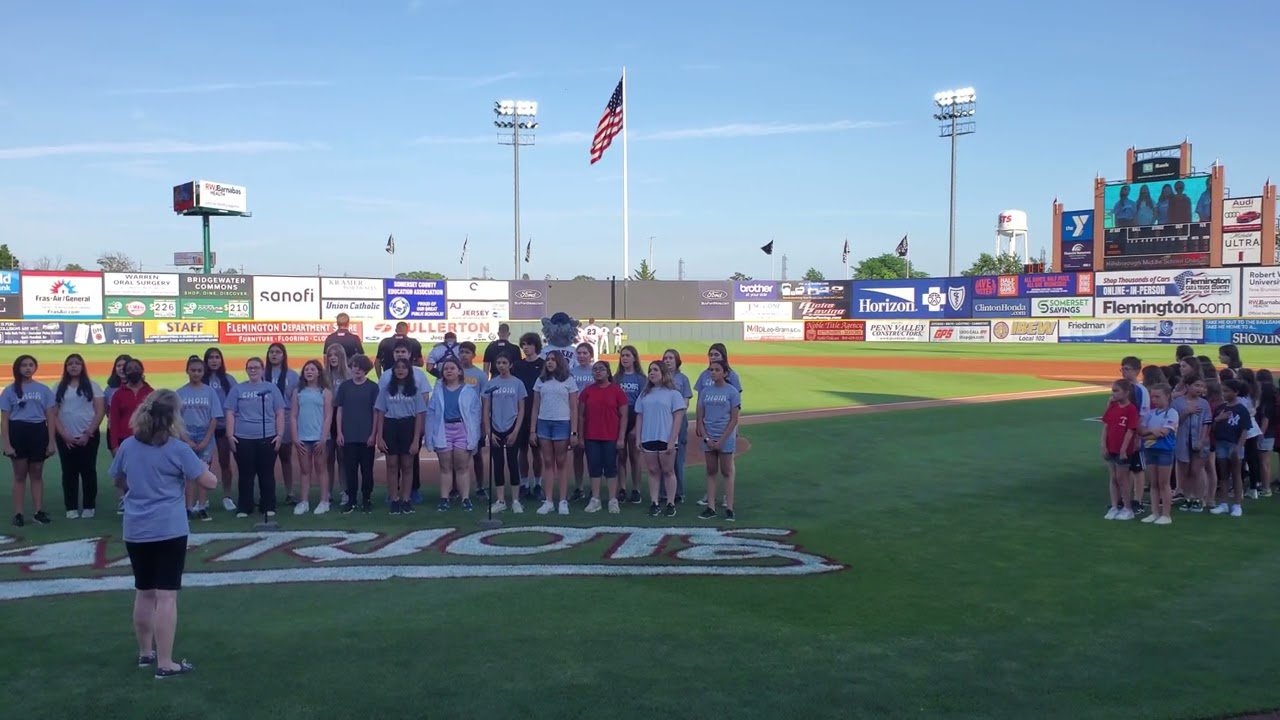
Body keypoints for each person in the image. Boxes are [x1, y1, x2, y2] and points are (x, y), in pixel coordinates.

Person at [108, 389, 217, 678]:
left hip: (136, 529)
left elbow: (119, 480)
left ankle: (146, 653)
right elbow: (210, 483)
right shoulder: (178, 449)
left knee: (144, 592)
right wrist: (205, 467)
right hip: (168, 529)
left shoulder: (129, 446)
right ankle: (166, 663)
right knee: (166, 596)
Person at [224, 357, 287, 519]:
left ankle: (268, 505)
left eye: (256, 367)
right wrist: (230, 435)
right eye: (250, 367)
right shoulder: (238, 389)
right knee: (246, 473)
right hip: (243, 437)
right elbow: (230, 412)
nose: (253, 370)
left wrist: (280, 434)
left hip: (267, 436)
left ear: (262, 369)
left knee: (266, 473)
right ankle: (245, 506)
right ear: (246, 370)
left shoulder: (271, 388)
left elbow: (280, 412)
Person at [2, 354, 56, 526]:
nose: (27, 368)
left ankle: (38, 511)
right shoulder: (9, 391)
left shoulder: (43, 390)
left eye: (30, 364)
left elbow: (50, 417)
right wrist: (7, 444)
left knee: (37, 473)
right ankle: (18, 514)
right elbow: (4, 420)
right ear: (18, 368)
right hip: (18, 430)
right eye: (24, 365)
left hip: (38, 431)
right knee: (19, 475)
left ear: (35, 367)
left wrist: (51, 441)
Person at [52, 353, 104, 520]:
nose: (73, 366)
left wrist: (88, 433)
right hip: (65, 436)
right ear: (66, 367)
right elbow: (53, 414)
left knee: (88, 471)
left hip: (88, 435)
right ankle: (71, 507)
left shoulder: (93, 386)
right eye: (70, 364)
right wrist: (65, 436)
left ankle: (89, 505)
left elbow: (99, 411)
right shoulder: (58, 387)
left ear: (82, 366)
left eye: (77, 363)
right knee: (69, 472)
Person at [426, 357, 482, 511]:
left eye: (452, 368)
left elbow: (475, 415)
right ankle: (444, 498)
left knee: (462, 466)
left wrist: (475, 436)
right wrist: (429, 437)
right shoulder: (437, 391)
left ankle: (465, 498)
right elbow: (431, 414)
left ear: (459, 371)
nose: (449, 371)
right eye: (446, 369)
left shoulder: (469, 391)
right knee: (445, 466)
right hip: (443, 430)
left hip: (462, 430)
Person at [635, 360, 686, 518]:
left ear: (663, 373)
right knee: (652, 471)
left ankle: (670, 502)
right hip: (649, 437)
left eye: (656, 370)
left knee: (668, 471)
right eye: (650, 370)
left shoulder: (674, 394)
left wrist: (672, 439)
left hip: (666, 438)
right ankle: (654, 502)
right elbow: (640, 417)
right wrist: (638, 438)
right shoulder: (644, 395)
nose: (652, 373)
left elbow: (678, 418)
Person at [376, 359, 426, 515]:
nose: (400, 370)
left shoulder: (414, 390)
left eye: (404, 368)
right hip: (390, 426)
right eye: (397, 367)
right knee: (391, 464)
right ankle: (394, 499)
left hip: (408, 426)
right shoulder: (386, 389)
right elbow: (380, 413)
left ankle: (406, 499)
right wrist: (380, 436)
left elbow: (419, 415)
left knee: (407, 465)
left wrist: (416, 439)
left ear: (409, 370)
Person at [531, 352, 579, 515]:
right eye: (548, 360)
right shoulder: (540, 381)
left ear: (559, 362)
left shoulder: (569, 380)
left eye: (553, 360)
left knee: (561, 462)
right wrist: (533, 429)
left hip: (562, 423)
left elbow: (574, 407)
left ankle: (563, 500)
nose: (550, 362)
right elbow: (535, 407)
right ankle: (549, 500)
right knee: (548, 461)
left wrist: (574, 431)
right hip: (544, 423)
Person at [578, 359, 628, 514]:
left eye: (601, 369)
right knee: (594, 467)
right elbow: (581, 415)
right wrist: (580, 437)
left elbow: (624, 416)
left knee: (610, 467)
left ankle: (613, 499)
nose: (598, 372)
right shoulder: (587, 391)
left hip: (610, 435)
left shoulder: (617, 391)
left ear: (608, 372)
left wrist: (621, 438)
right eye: (595, 369)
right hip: (591, 435)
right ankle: (595, 499)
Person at [176, 357, 222, 522]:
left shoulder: (210, 392)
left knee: (203, 472)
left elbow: (214, 418)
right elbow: (176, 420)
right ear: (187, 371)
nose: (196, 373)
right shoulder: (180, 393)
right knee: (188, 474)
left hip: (205, 434)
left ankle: (202, 506)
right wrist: (186, 440)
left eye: (199, 371)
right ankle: (188, 507)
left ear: (203, 372)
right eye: (193, 370)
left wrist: (205, 440)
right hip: (186, 433)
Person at [696, 359, 741, 522]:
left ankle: (729, 508)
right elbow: (700, 417)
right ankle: (711, 507)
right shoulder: (705, 392)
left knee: (727, 472)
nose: (713, 372)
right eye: (711, 370)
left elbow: (734, 419)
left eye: (716, 370)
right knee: (710, 471)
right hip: (709, 436)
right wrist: (707, 438)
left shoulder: (732, 392)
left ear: (725, 373)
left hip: (725, 436)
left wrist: (721, 440)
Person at [335, 354, 380, 514]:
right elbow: (339, 409)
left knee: (367, 470)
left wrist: (373, 434)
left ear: (366, 369)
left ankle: (366, 499)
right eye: (354, 366)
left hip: (366, 436)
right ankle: (352, 499)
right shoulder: (345, 387)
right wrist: (339, 432)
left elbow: (376, 412)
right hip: (348, 436)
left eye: (360, 367)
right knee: (350, 470)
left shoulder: (373, 387)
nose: (357, 370)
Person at [483, 354, 528, 513]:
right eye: (499, 363)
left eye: (504, 363)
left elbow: (522, 408)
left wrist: (516, 431)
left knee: (513, 462)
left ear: (510, 365)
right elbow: (486, 409)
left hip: (512, 426)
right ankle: (500, 500)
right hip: (496, 427)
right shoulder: (491, 384)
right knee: (498, 463)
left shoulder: (517, 383)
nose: (501, 365)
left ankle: (516, 500)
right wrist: (489, 431)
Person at [291, 360, 333, 515]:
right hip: (303, 437)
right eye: (306, 369)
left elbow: (328, 416)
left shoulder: (325, 392)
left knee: (321, 469)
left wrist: (323, 437)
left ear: (318, 372)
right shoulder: (298, 392)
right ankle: (304, 501)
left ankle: (324, 501)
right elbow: (294, 415)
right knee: (304, 470)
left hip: (319, 437)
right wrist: (295, 437)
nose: (309, 372)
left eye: (312, 369)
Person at [264, 343, 300, 505]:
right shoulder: (263, 374)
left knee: (286, 456)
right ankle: (267, 492)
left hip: (285, 417)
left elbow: (297, 399)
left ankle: (289, 492)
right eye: (271, 352)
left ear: (283, 355)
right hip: (265, 418)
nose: (274, 355)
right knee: (266, 460)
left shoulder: (292, 375)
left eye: (278, 352)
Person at [202, 348, 238, 511]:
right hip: (205, 427)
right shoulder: (201, 379)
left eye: (217, 357)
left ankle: (227, 496)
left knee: (225, 462)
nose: (214, 361)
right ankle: (202, 499)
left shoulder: (229, 380)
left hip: (223, 426)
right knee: (203, 464)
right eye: (210, 358)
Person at [1137, 384, 1178, 525]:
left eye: (1157, 396)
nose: (1154, 399)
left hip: (1165, 451)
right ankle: (1154, 512)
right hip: (1151, 450)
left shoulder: (1172, 413)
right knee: (1153, 483)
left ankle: (1166, 514)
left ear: (1167, 396)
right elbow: (1141, 430)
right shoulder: (1150, 413)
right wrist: (1152, 431)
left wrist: (1148, 434)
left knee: (1164, 483)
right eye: (1152, 396)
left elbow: (1164, 433)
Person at [513, 333, 546, 500]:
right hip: (521, 414)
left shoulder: (544, 365)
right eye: (523, 344)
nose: (526, 347)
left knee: (537, 451)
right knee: (522, 451)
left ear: (536, 346)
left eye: (529, 344)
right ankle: (524, 484)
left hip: (539, 414)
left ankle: (538, 484)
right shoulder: (517, 366)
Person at [1101, 379, 1139, 520]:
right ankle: (1114, 506)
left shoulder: (1131, 409)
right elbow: (1106, 427)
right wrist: (1103, 445)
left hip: (1123, 449)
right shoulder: (1112, 407)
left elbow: (1130, 431)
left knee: (1122, 478)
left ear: (1126, 392)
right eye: (1113, 390)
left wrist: (1123, 449)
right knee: (1113, 477)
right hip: (1110, 447)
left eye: (1117, 391)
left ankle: (1127, 508)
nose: (1114, 393)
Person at [1212, 379, 1250, 517]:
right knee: (1223, 474)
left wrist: (1239, 447)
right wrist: (1218, 419)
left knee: (1236, 474)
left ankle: (1237, 504)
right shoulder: (1220, 408)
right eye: (1223, 390)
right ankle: (1223, 503)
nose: (1224, 394)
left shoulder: (1241, 409)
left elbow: (1245, 430)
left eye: (1227, 391)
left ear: (1236, 392)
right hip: (1221, 443)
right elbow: (1213, 428)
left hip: (1234, 444)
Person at [614, 345, 646, 504]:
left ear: (634, 358)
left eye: (628, 355)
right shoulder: (616, 378)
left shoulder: (641, 378)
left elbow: (644, 402)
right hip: (619, 416)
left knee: (635, 455)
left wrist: (636, 428)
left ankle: (636, 489)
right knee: (620, 455)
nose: (624, 358)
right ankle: (621, 488)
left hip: (635, 415)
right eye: (622, 355)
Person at [662, 349, 694, 505]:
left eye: (671, 358)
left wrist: (677, 414)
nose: (668, 361)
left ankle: (678, 492)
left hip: (679, 421)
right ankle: (663, 492)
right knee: (661, 456)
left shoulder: (683, 379)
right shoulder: (658, 379)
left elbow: (686, 401)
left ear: (677, 361)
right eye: (666, 358)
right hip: (661, 422)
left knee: (678, 457)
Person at [459, 342, 489, 498]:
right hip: (456, 421)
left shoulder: (480, 375)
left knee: (477, 455)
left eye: (467, 352)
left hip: (474, 421)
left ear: (473, 355)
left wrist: (484, 423)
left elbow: (485, 400)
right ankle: (456, 488)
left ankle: (480, 486)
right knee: (456, 456)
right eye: (461, 352)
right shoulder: (453, 372)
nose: (464, 355)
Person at [323, 344, 352, 505]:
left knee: (342, 457)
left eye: (335, 355)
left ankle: (344, 491)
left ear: (342, 357)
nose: (332, 358)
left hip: (343, 418)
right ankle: (327, 491)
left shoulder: (348, 374)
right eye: (330, 355)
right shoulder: (323, 375)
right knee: (327, 457)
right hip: (327, 417)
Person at [568, 342, 596, 502]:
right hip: (575, 415)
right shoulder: (571, 373)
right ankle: (579, 487)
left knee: (592, 453)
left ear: (591, 355)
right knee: (577, 452)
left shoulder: (596, 371)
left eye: (585, 353)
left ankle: (594, 487)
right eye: (579, 353)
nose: (582, 356)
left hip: (592, 416)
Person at [109, 358, 154, 456]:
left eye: (136, 368)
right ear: (125, 373)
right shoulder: (118, 394)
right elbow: (114, 421)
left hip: (146, 439)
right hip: (124, 440)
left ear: (142, 371)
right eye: (129, 369)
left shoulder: (150, 393)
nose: (133, 371)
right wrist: (114, 446)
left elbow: (154, 417)